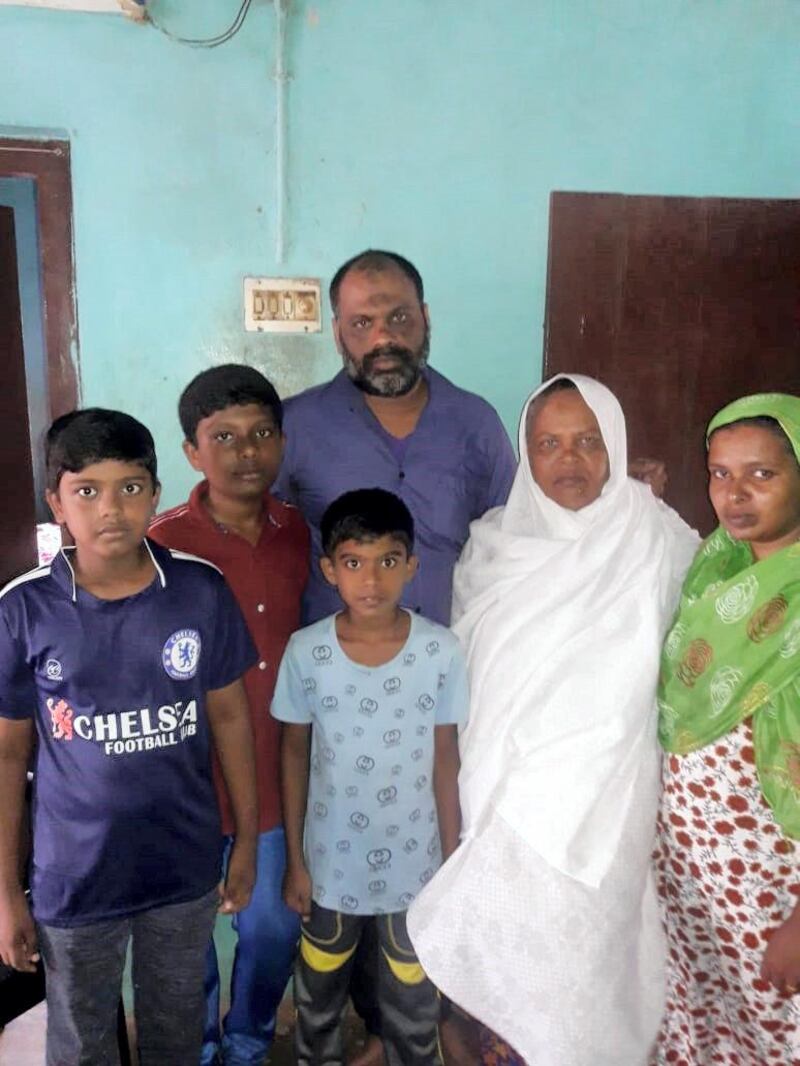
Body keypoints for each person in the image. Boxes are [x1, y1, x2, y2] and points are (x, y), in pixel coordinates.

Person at [407, 375, 698, 1065]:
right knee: (512, 958)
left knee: (591, 968)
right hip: (507, 791)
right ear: (525, 453)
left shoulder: (659, 536)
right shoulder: (493, 546)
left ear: (616, 446)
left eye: (588, 442)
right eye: (549, 444)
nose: (569, 461)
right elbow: (475, 675)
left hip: (611, 792)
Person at [0, 408, 259, 1066]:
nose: (110, 508)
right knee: (82, 1038)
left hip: (181, 865)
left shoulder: (198, 591)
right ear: (57, 501)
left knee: (175, 1029)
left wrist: (248, 839)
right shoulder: (25, 609)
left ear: (155, 494)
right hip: (74, 877)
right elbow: (10, 753)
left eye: (130, 487)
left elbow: (231, 718)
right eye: (87, 490)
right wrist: (6, 892)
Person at [149, 365, 310, 1066]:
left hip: (276, 777)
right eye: (224, 438)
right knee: (186, 941)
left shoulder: (303, 534)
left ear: (281, 441)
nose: (247, 453)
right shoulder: (157, 545)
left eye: (261, 434)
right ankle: (202, 1045)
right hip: (180, 783)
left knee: (273, 928)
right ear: (192, 451)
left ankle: (247, 1038)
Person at [272, 488, 468, 1065]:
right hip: (331, 861)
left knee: (414, 1002)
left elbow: (446, 757)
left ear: (411, 565)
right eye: (354, 563)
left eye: (388, 561)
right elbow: (292, 755)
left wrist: (451, 858)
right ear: (329, 569)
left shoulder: (440, 650)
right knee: (320, 997)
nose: (372, 580)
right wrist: (296, 860)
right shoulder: (307, 652)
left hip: (417, 862)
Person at [654, 393, 800, 1064]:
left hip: (772, 884)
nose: (735, 494)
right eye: (719, 473)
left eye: (762, 474)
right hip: (691, 868)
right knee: (700, 1023)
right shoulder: (716, 564)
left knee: (775, 1031)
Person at [273, 249, 518, 626]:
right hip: (331, 673)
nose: (383, 337)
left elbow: (517, 540)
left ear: (426, 319)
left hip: (448, 665)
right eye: (361, 323)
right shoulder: (295, 427)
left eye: (399, 318)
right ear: (338, 335)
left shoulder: (476, 423)